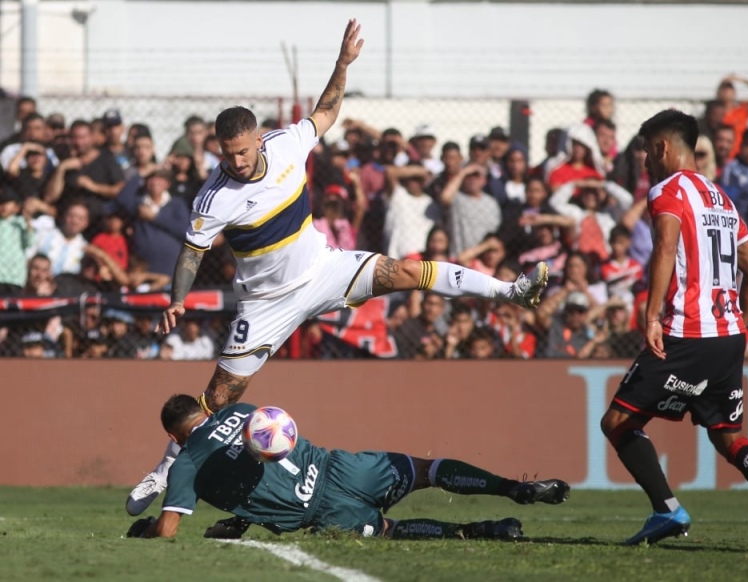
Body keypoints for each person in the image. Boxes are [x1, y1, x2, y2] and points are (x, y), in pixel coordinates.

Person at [127, 19, 550, 516]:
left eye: (242, 151)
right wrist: (177, 297)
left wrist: (342, 65)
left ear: (259, 139)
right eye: (227, 154)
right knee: (219, 395)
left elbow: (325, 112)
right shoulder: (214, 196)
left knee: (407, 272)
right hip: (265, 302)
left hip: (324, 269)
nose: (236, 162)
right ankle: (164, 469)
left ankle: (511, 291)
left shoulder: (286, 144)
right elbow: (193, 252)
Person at [598, 109, 748, 546]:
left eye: (648, 151)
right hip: (729, 335)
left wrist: (650, 317)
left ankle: (668, 511)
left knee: (618, 422)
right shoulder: (721, 198)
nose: (645, 160)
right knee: (728, 436)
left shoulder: (667, 190)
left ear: (663, 148)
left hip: (688, 333)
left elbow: (665, 246)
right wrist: (744, 316)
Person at [126, 395, 571, 541]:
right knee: (427, 470)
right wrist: (242, 519)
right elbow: (263, 458)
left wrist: (145, 529)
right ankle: (514, 487)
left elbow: (167, 532)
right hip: (341, 469)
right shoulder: (244, 410)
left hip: (320, 514)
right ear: (204, 410)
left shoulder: (186, 465)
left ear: (174, 436)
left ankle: (483, 532)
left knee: (390, 530)